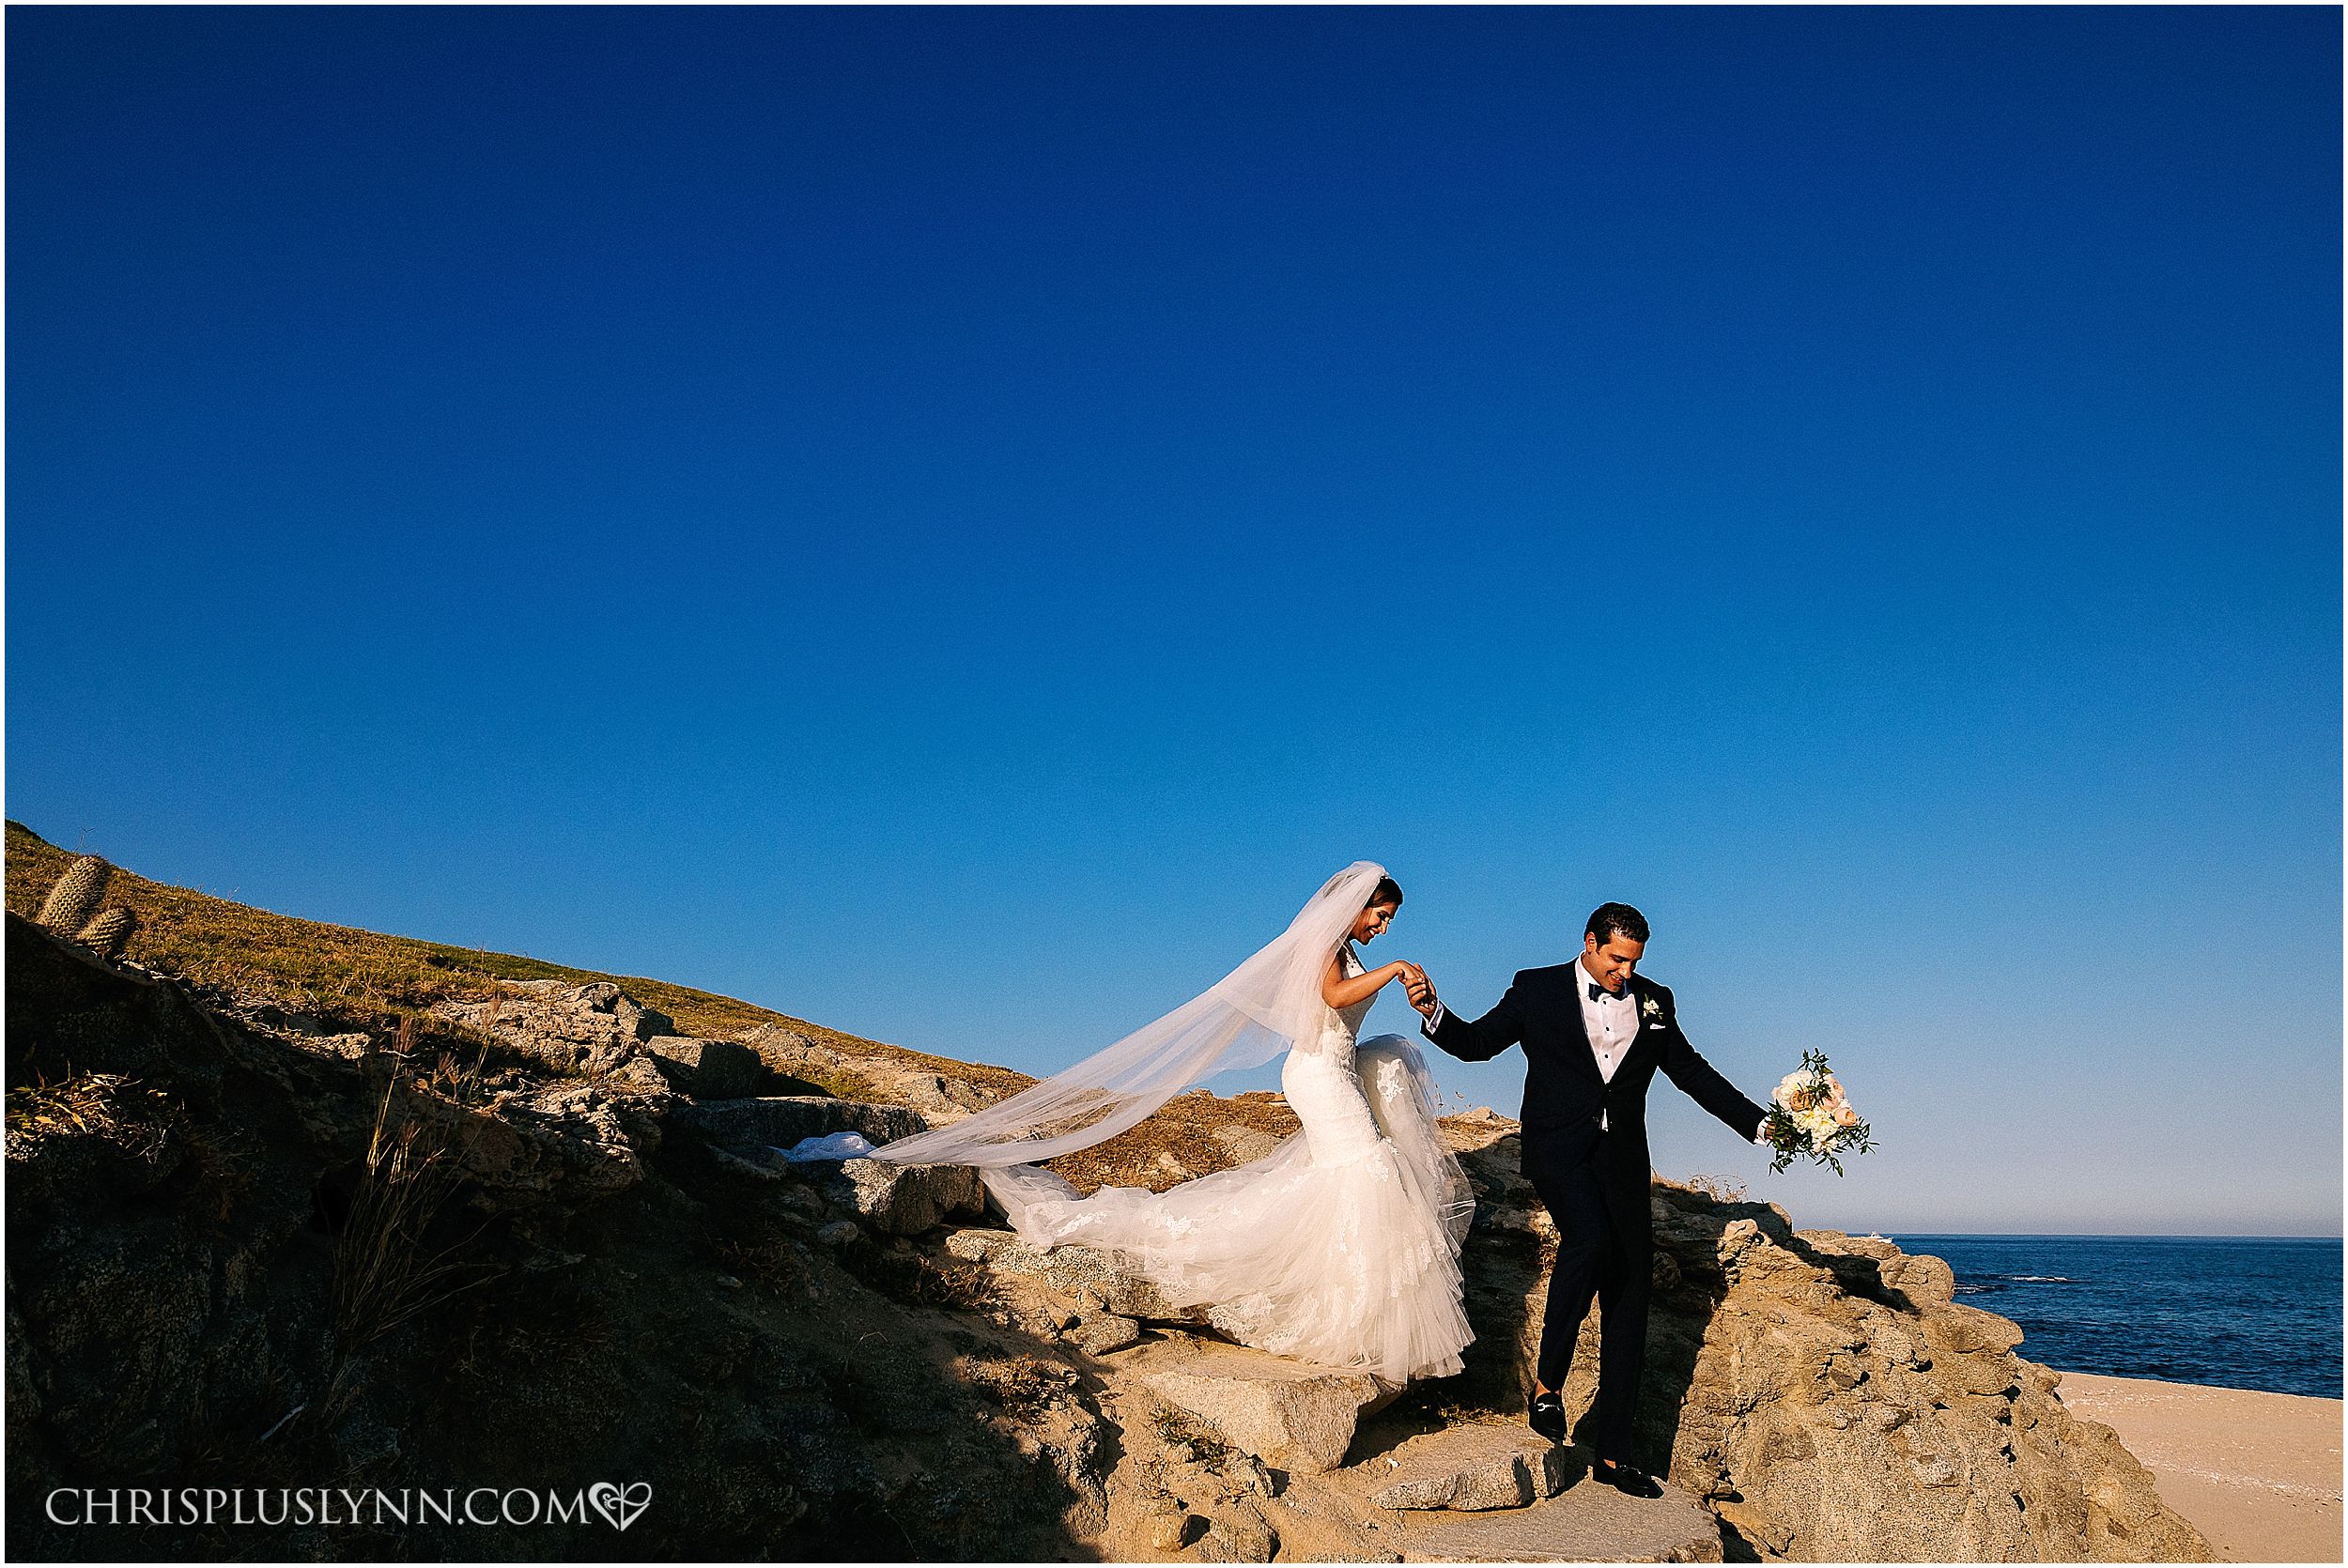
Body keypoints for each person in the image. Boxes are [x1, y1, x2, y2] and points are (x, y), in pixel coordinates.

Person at [872, 862, 1475, 1382]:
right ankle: (1355, 1317)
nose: (1383, 928)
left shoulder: (1346, 951)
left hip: (1333, 1071)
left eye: (1389, 922)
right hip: (1319, 1077)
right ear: (1356, 906)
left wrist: (1401, 984)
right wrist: (1395, 968)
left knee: (1347, 1176)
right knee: (1366, 1168)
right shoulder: (1325, 948)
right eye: (1381, 916)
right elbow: (1334, 998)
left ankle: (1349, 1307)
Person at [1406, 901, 1770, 1496]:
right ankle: (1548, 1386)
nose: (1625, 973)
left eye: (1634, 963)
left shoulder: (1656, 1002)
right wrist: (1434, 1012)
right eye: (1616, 960)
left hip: (1623, 1160)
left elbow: (1692, 1073)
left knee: (1630, 1291)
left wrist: (1763, 1125)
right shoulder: (1537, 988)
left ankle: (1613, 1456)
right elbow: (1478, 1043)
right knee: (1590, 1238)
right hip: (1558, 1149)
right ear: (1590, 942)